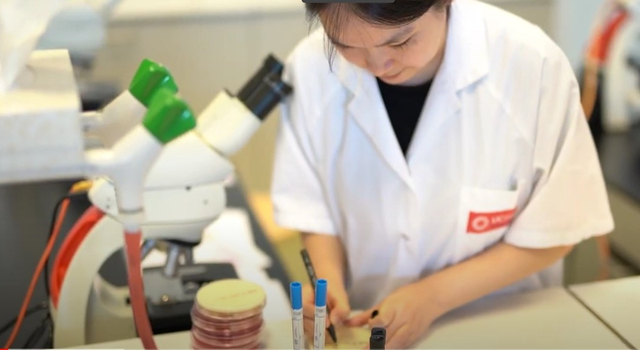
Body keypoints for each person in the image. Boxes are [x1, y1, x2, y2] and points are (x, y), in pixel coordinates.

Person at [270, 0, 614, 348]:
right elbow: (314, 212)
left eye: (400, 42)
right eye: (345, 44)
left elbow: (555, 231)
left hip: (505, 327)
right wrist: (329, 283)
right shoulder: (310, 68)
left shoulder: (532, 64)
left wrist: (431, 298)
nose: (377, 64)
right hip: (370, 329)